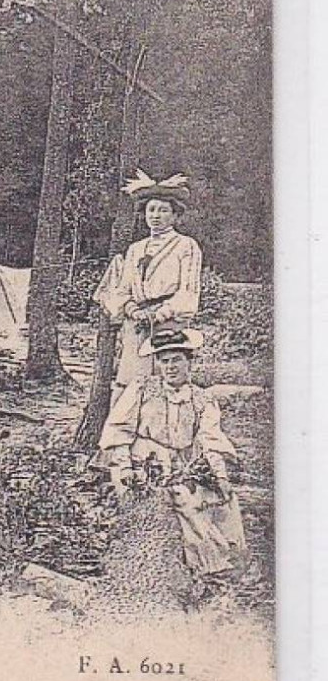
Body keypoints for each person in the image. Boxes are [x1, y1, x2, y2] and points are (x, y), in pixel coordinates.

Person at [99, 327, 245, 585]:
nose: (170, 367)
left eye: (176, 359)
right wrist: (124, 468)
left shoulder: (202, 399)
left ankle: (217, 568)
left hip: (183, 465)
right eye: (164, 361)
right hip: (141, 462)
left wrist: (220, 475)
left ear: (190, 361)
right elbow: (119, 432)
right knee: (171, 502)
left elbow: (211, 439)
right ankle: (171, 571)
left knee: (219, 501)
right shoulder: (142, 389)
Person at [92, 171, 203, 386]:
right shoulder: (135, 249)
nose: (156, 215)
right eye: (151, 210)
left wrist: (159, 314)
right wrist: (132, 310)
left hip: (169, 324)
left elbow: (188, 291)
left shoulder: (186, 245)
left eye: (163, 210)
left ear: (175, 215)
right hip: (136, 323)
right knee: (132, 381)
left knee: (165, 377)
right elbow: (123, 290)